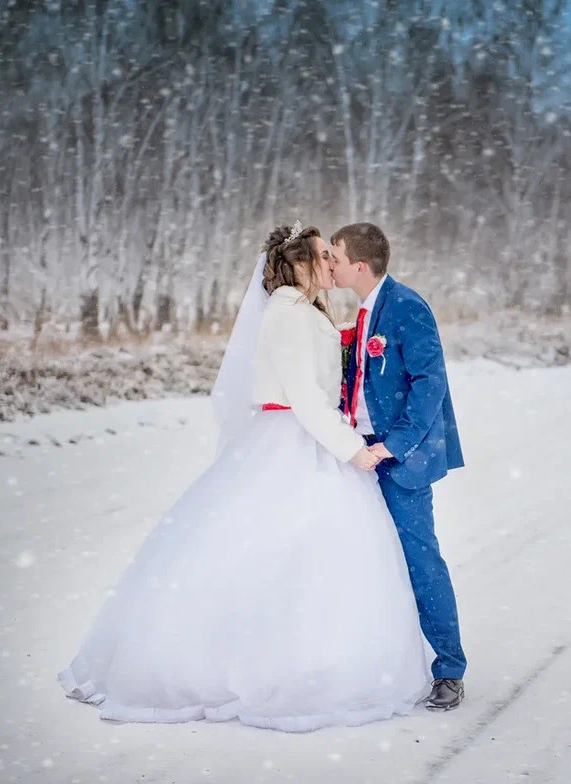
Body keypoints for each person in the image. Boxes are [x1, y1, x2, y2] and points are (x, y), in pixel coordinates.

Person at [57, 222, 431, 731]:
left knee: (319, 556)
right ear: (299, 263)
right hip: (294, 437)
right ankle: (245, 668)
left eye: (332, 255)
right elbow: (303, 394)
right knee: (272, 547)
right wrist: (352, 451)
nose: (330, 263)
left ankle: (317, 660)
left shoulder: (307, 310)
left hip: (312, 438)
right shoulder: (286, 313)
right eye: (322, 255)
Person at [329, 222, 467, 711]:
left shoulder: (407, 307)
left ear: (359, 266)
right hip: (361, 453)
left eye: (336, 257)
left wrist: (397, 444)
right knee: (368, 561)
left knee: (420, 561)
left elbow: (430, 383)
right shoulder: (365, 311)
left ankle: (449, 669)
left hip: (400, 459)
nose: (330, 263)